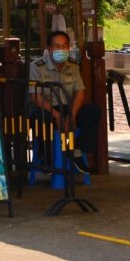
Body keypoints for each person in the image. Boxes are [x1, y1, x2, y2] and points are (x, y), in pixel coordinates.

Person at [30, 28, 99, 172]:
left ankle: (77, 150)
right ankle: (47, 158)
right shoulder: (37, 66)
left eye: (65, 46)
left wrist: (72, 116)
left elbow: (80, 92)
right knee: (44, 118)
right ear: (49, 49)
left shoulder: (73, 65)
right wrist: (57, 116)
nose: (61, 49)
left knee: (93, 111)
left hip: (67, 107)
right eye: (57, 46)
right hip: (46, 109)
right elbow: (35, 96)